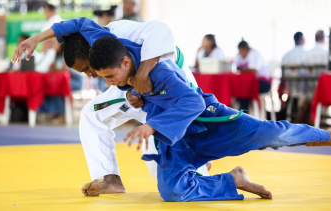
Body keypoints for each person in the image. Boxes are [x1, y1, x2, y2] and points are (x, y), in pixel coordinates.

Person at [90, 36, 331, 202]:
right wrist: (131, 93)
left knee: (272, 133)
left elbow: (193, 103)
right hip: (178, 141)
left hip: (210, 123)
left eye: (110, 76)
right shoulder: (125, 75)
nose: (109, 83)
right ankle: (233, 179)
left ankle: (324, 135)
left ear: (126, 61)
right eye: (104, 79)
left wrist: (151, 125)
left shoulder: (158, 70)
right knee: (171, 191)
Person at [11, 17, 210, 196]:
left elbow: (161, 30)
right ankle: (110, 179)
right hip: (139, 89)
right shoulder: (103, 50)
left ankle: (203, 168)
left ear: (93, 51)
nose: (89, 74)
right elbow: (73, 24)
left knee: (157, 167)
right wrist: (37, 38)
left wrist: (141, 75)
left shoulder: (119, 32)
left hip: (174, 92)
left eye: (87, 68)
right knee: (91, 113)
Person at [234, 40, 271, 112]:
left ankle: (244, 114)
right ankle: (241, 113)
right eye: (239, 51)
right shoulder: (239, 56)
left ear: (247, 49)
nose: (241, 53)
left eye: (242, 51)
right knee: (240, 89)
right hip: (250, 83)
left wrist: (241, 69)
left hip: (264, 83)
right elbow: (236, 67)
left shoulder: (254, 54)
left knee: (245, 89)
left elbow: (254, 70)